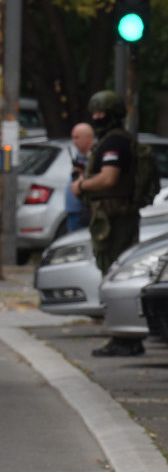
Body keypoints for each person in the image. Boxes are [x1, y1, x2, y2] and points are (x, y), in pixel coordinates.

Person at [72, 90, 142, 357]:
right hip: (113, 216)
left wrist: (81, 185)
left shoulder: (114, 143)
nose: (97, 117)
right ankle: (123, 335)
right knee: (111, 272)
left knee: (115, 274)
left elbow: (109, 179)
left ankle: (125, 338)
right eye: (95, 113)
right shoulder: (112, 141)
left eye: (102, 113)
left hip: (115, 218)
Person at [65, 122, 95, 233]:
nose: (74, 141)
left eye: (77, 137)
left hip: (85, 211)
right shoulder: (78, 157)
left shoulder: (94, 157)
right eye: (73, 138)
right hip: (73, 210)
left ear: (88, 138)